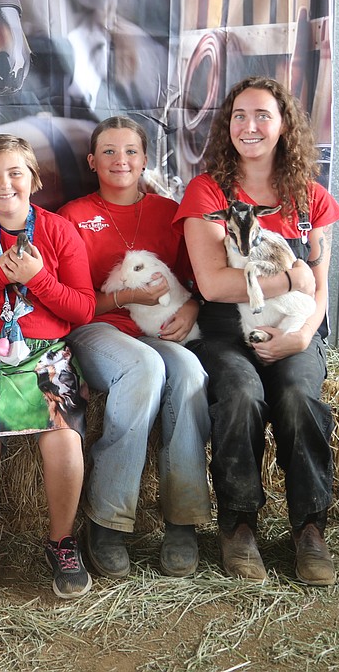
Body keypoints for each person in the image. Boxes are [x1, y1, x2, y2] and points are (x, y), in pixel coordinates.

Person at [175, 76, 339, 586]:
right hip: (227, 329)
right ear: (228, 127)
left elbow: (321, 290)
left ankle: (310, 529)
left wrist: (303, 335)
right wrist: (291, 275)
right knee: (242, 394)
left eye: (262, 115)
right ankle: (239, 526)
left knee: (297, 394)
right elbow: (215, 283)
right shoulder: (208, 192)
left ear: (284, 125)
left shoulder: (311, 198)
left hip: (296, 325)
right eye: (240, 116)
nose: (250, 126)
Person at [58, 116, 212, 578]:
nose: (120, 160)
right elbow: (72, 303)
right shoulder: (74, 217)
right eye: (108, 151)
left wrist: (195, 308)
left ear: (145, 160)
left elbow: (199, 278)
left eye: (130, 151)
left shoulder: (170, 212)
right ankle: (108, 519)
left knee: (188, 371)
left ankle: (183, 518)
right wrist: (126, 297)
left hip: (160, 329)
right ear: (91, 161)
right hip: (98, 330)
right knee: (145, 366)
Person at [0, 134, 95, 609]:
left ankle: (61, 542)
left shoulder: (59, 231)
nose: (4, 183)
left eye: (14, 173)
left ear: (33, 178)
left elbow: (83, 308)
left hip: (45, 354)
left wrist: (36, 279)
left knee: (65, 441)